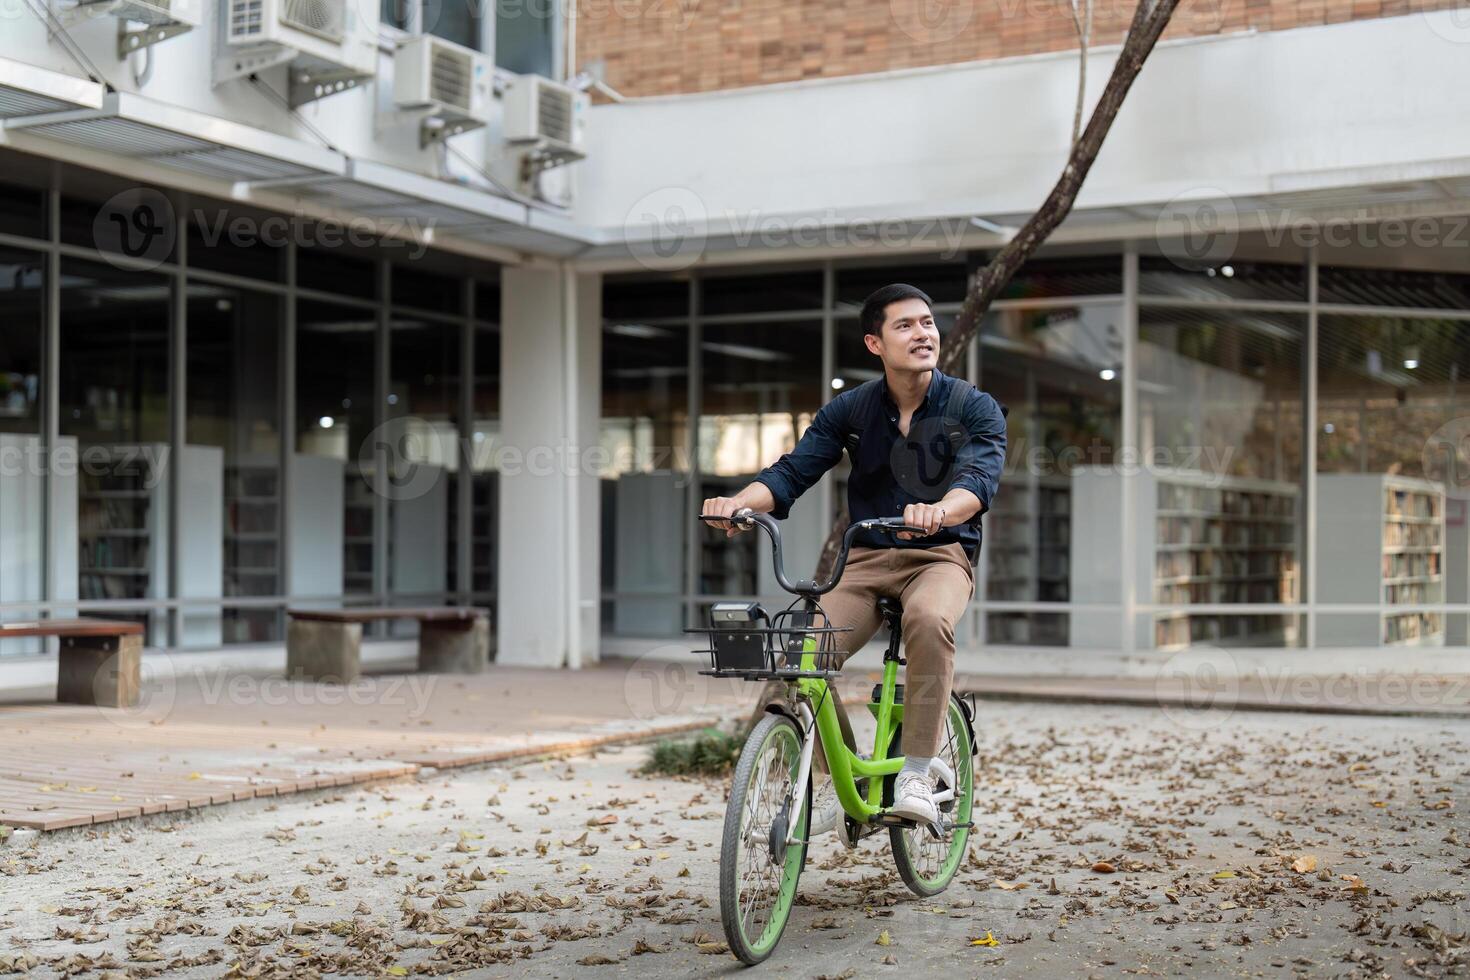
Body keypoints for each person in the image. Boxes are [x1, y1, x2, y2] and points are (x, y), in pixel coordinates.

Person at [702, 283, 1006, 825]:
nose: (923, 334)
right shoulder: (852, 409)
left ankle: (916, 769)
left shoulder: (973, 406)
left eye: (928, 323)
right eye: (905, 326)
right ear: (875, 343)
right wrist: (737, 504)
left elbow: (978, 481)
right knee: (804, 657)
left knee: (929, 618)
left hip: (939, 557)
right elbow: (792, 472)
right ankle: (829, 775)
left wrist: (940, 510)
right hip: (863, 561)